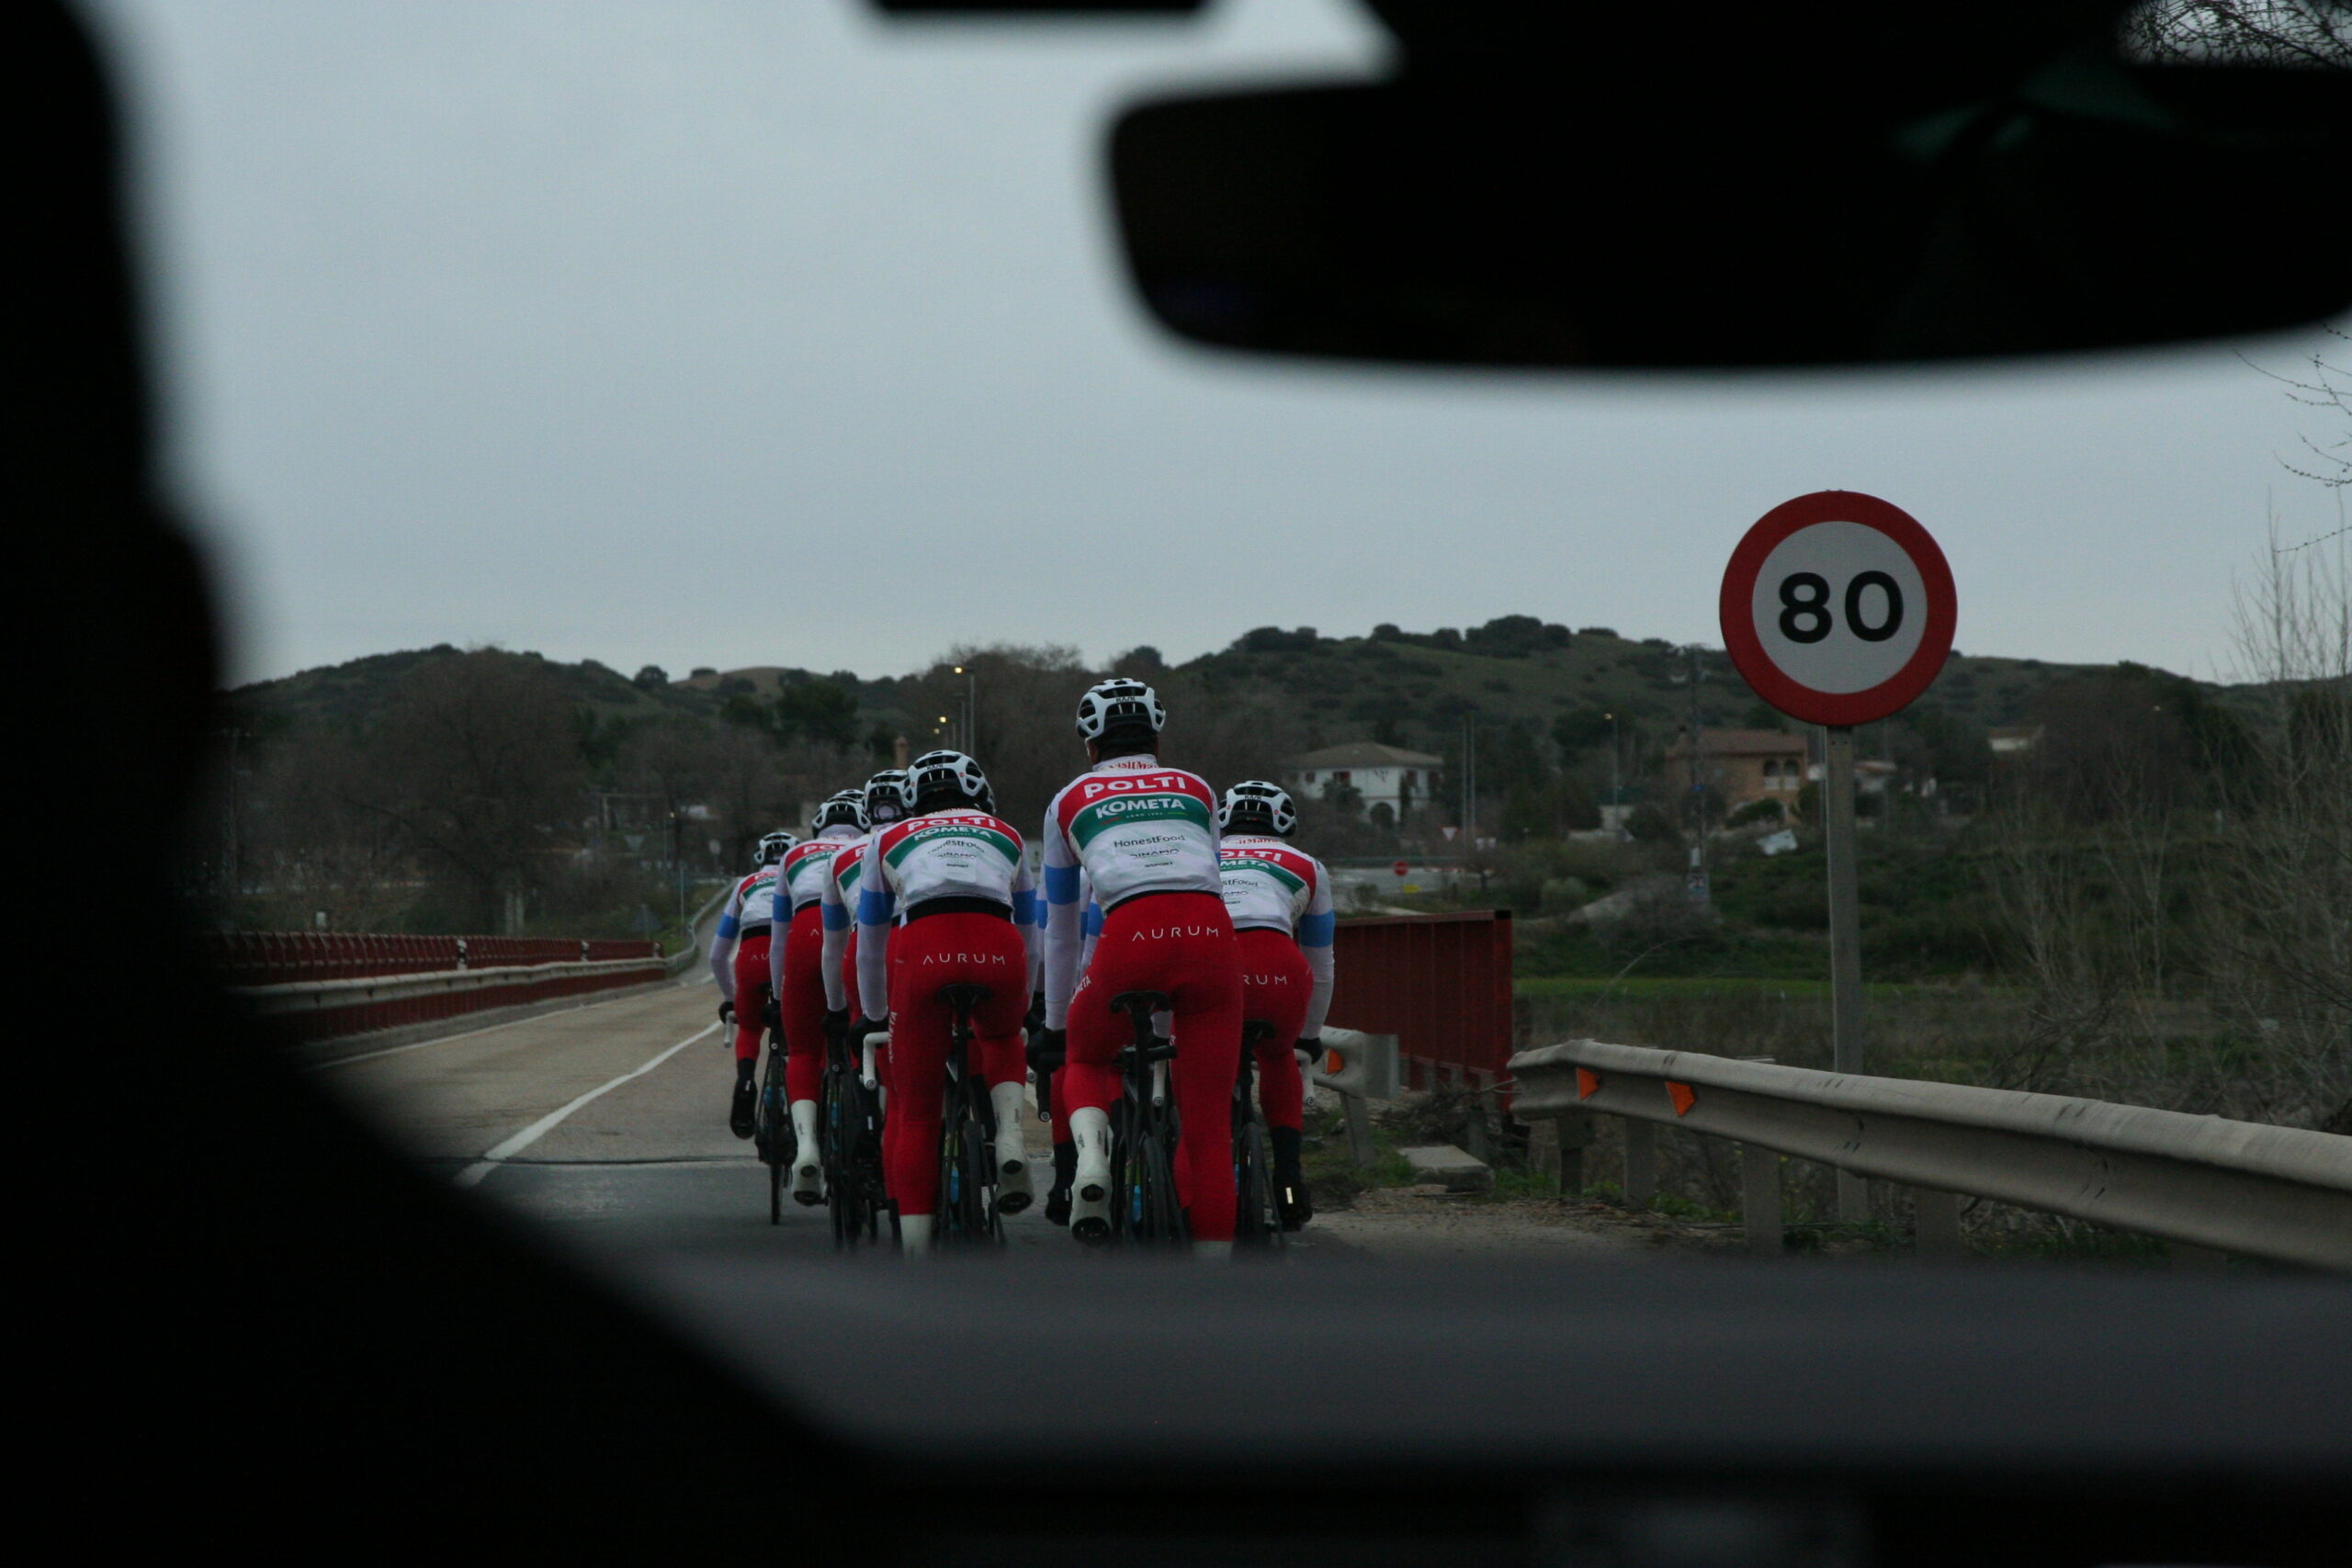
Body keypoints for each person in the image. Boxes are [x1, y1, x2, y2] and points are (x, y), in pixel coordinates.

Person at [1036, 679, 1244, 1255]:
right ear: (1156, 734)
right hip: (1208, 933)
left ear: (1089, 742)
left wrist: (1055, 1023)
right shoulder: (1198, 789)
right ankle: (1215, 1277)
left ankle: (1094, 1163)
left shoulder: (1068, 800)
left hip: (1130, 934)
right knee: (1208, 1132)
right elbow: (1212, 876)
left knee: (1084, 1054)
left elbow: (1061, 925)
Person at [854, 750, 1040, 1253]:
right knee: (1001, 1035)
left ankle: (914, 1248)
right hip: (999, 947)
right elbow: (1032, 930)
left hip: (924, 950)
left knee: (916, 1111)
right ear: (979, 796)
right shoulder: (1007, 833)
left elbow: (870, 938)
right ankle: (1009, 1139)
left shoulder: (887, 839)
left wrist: (873, 1013)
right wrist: (1032, 1000)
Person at [1215, 781, 1334, 1229]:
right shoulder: (1308, 866)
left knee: (1195, 1053)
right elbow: (1322, 964)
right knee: (1279, 1055)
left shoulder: (1200, 856)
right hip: (1277, 964)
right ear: (1283, 822)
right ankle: (1288, 1181)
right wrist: (1309, 1035)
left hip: (1213, 955)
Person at [767, 790, 866, 1203]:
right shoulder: (870, 844)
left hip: (804, 937)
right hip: (855, 936)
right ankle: (869, 1128)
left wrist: (777, 996)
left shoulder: (795, 855)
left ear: (817, 829)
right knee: (867, 1033)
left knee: (805, 1051)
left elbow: (776, 940)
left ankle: (807, 1146)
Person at [818, 770, 910, 1132]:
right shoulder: (913, 838)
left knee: (867, 1031)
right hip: (917, 940)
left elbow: (833, 945)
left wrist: (835, 1010)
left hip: (862, 944)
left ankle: (869, 1121)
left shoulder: (840, 857)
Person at [710, 829, 793, 1136]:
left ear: (760, 859)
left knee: (749, 1026)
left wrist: (733, 999)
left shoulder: (746, 884)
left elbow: (717, 955)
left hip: (752, 952)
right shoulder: (801, 876)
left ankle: (745, 1081)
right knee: (807, 1029)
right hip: (787, 951)